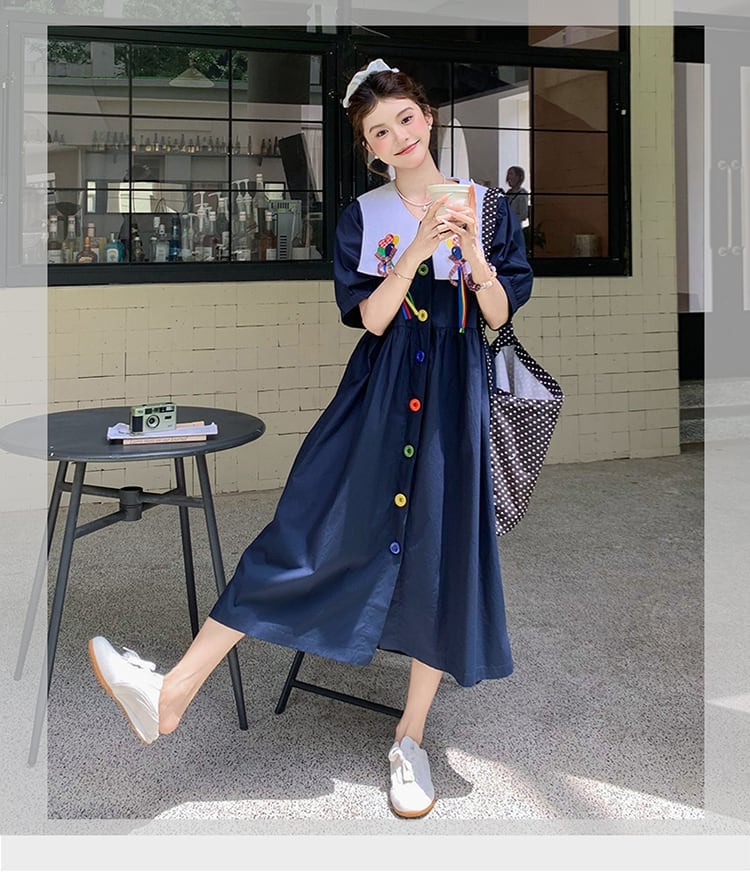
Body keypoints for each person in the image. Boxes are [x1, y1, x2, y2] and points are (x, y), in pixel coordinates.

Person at [88, 58, 533, 820]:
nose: (398, 137)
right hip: (377, 399)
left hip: (453, 403)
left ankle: (411, 741)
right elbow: (372, 319)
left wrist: (477, 258)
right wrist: (417, 249)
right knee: (302, 530)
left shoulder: (489, 208)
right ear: (369, 147)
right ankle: (172, 693)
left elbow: (498, 315)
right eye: (379, 132)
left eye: (405, 119)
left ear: (426, 117)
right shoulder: (365, 216)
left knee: (441, 556)